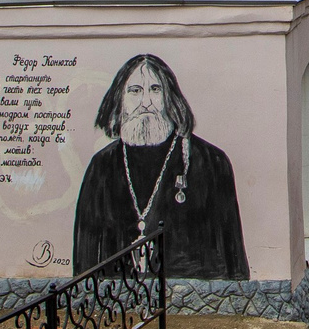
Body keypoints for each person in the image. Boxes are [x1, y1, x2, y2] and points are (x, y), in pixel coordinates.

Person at [71, 54, 248, 279]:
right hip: (116, 304)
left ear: (170, 98)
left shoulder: (212, 162)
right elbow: (85, 258)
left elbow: (233, 261)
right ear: (120, 100)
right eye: (135, 91)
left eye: (155, 89)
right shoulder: (102, 166)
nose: (146, 102)